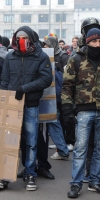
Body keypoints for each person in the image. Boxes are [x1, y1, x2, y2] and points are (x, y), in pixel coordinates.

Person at [0, 26, 52, 191]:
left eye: (24, 38)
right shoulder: (10, 57)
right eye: (18, 37)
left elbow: (46, 79)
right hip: (12, 105)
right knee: (9, 141)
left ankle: (30, 174)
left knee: (31, 142)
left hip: (31, 105)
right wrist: (4, 100)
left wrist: (24, 88)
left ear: (31, 39)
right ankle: (4, 175)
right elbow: (4, 80)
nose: (21, 41)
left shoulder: (40, 57)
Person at [62, 28, 100, 198]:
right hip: (84, 111)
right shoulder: (76, 59)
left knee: (99, 148)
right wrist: (67, 108)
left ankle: (95, 180)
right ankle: (76, 183)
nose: (97, 44)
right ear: (87, 42)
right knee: (80, 148)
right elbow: (67, 86)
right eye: (94, 41)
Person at [43, 36, 69, 159]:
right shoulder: (48, 56)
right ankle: (62, 148)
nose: (45, 47)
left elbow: (65, 78)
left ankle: (62, 149)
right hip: (52, 95)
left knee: (55, 121)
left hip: (57, 96)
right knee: (55, 122)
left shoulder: (63, 57)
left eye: (47, 45)